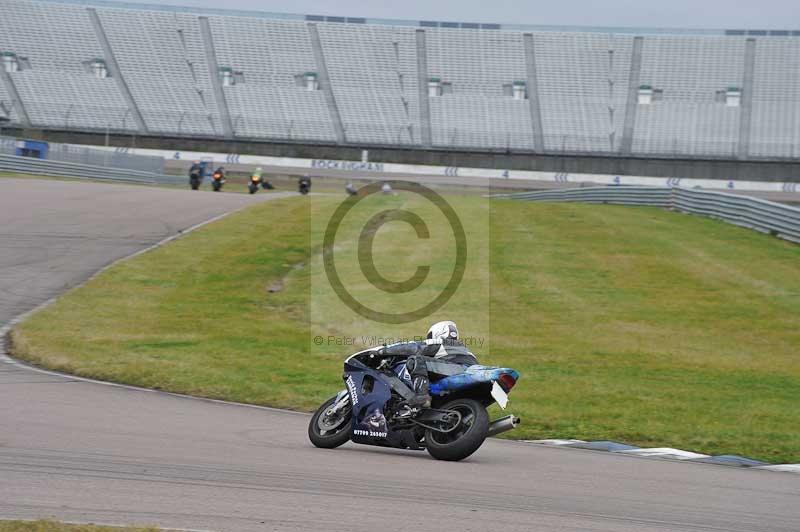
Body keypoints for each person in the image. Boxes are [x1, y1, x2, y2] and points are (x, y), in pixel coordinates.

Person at [377, 321, 477, 410]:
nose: (429, 339)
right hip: (468, 377)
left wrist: (383, 350)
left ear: (439, 332)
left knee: (416, 360)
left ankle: (422, 396)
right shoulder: (463, 350)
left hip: (460, 370)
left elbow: (415, 347)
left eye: (430, 336)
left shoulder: (441, 342)